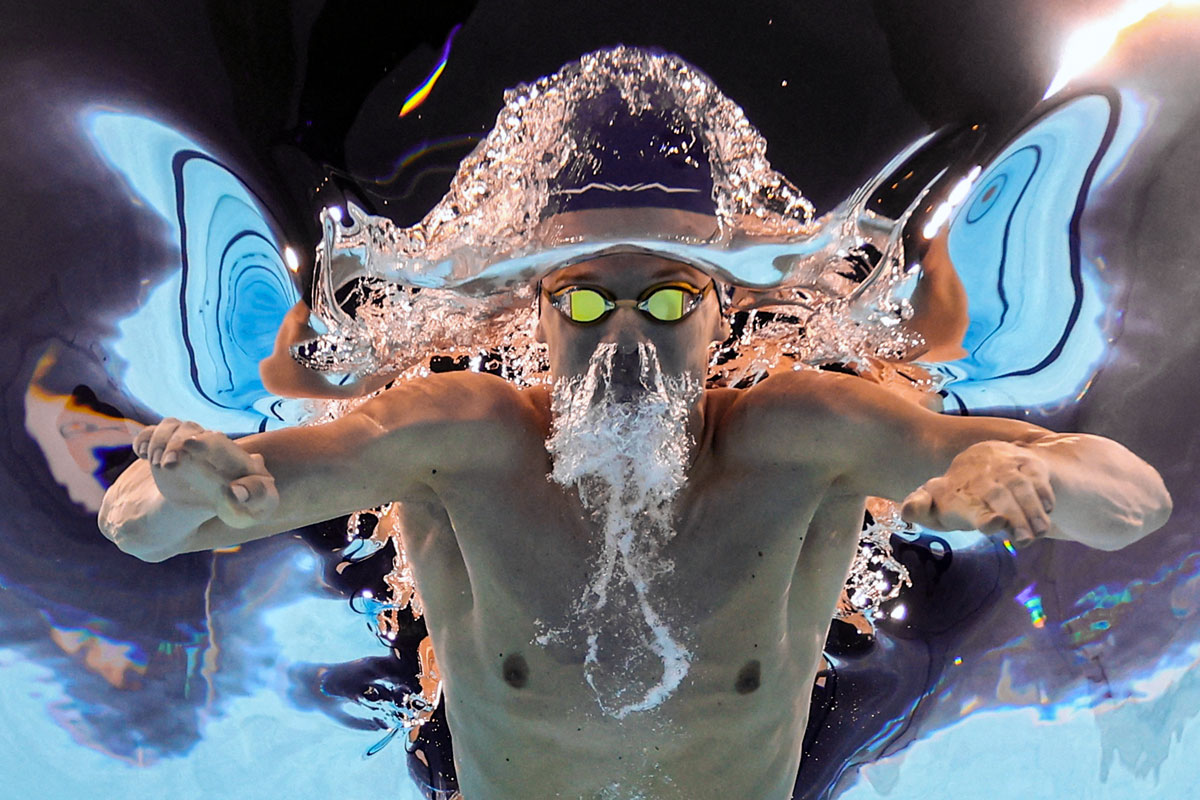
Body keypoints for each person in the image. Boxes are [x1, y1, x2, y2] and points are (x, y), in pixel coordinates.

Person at [98, 51, 1173, 800]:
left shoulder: (805, 433)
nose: (624, 334)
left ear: (718, 314)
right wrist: (181, 492)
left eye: (663, 300)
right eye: (581, 300)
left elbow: (1134, 504)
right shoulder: (459, 433)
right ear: (535, 312)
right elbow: (138, 524)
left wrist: (1027, 482)